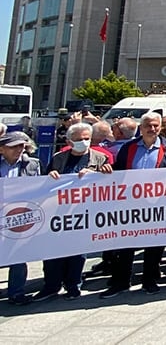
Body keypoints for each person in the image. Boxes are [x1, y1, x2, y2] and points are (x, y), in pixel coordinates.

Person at [104, 112, 166, 298]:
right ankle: (122, 281)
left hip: (157, 204)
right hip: (131, 204)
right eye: (148, 125)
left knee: (154, 245)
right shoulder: (129, 147)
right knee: (126, 244)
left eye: (156, 125)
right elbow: (119, 170)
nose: (152, 129)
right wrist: (107, 169)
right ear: (140, 128)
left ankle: (149, 280)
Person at [34, 123, 113, 302]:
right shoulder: (59, 158)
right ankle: (51, 286)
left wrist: (100, 173)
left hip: (84, 213)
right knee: (53, 251)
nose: (83, 142)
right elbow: (44, 183)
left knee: (77, 252)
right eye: (79, 139)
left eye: (86, 138)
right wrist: (51, 175)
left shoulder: (101, 158)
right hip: (58, 213)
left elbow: (110, 186)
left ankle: (73, 286)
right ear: (69, 141)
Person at [0, 131, 40, 305]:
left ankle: (16, 292)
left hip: (19, 215)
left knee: (18, 255)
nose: (19, 150)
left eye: (21, 146)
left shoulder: (32, 164)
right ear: (2, 149)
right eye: (13, 147)